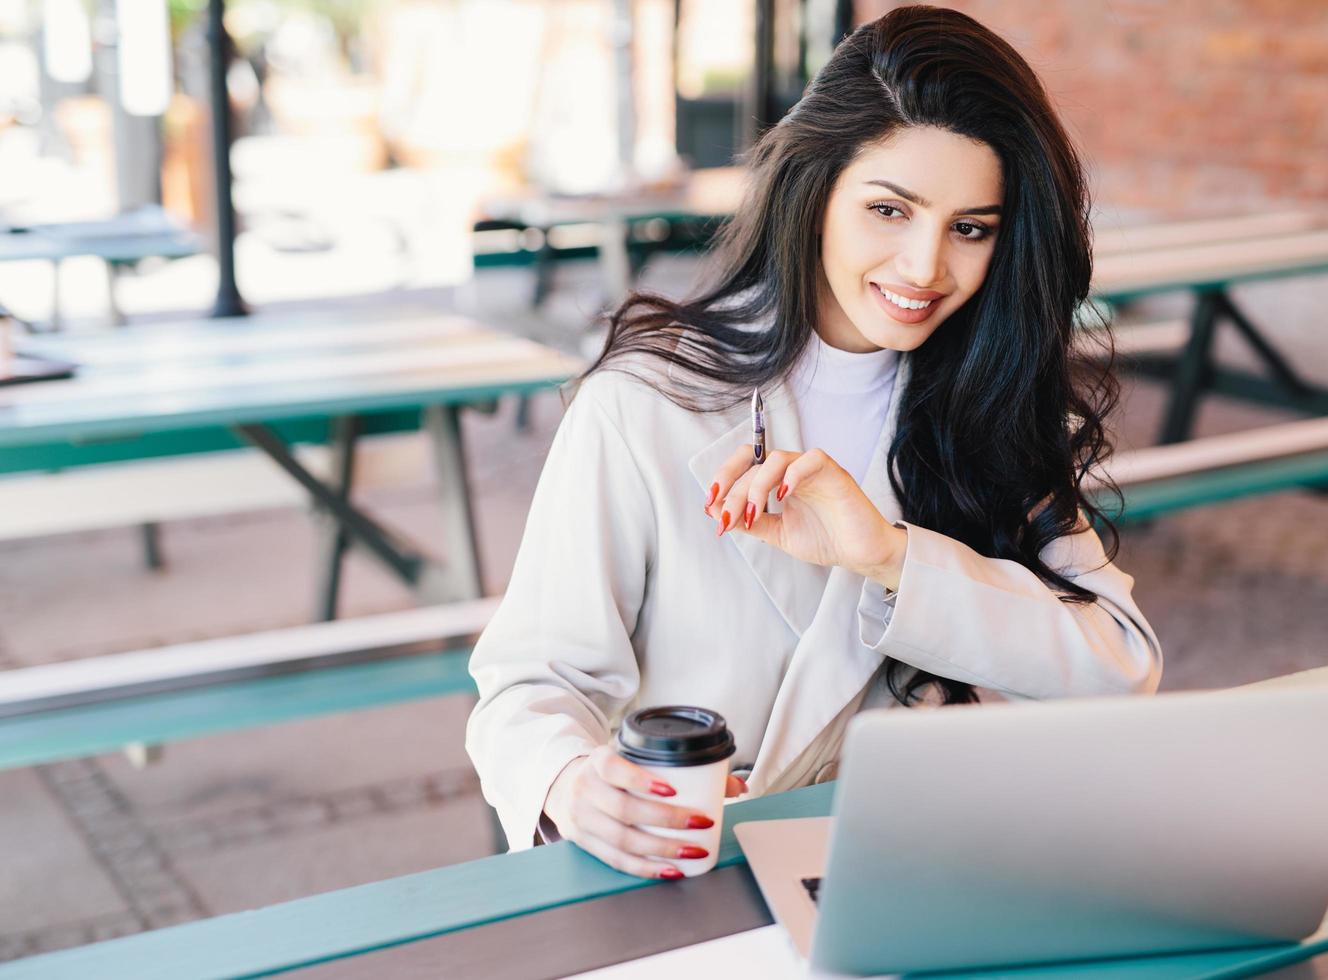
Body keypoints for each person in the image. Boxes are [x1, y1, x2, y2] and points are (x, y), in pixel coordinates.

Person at [466, 4, 1162, 878]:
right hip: (683, 875)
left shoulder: (991, 403)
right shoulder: (643, 403)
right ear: (817, 191)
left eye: (970, 228)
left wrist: (893, 559)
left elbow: (1118, 668)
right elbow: (531, 685)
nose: (924, 268)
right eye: (888, 210)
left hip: (902, 863)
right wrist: (572, 783)